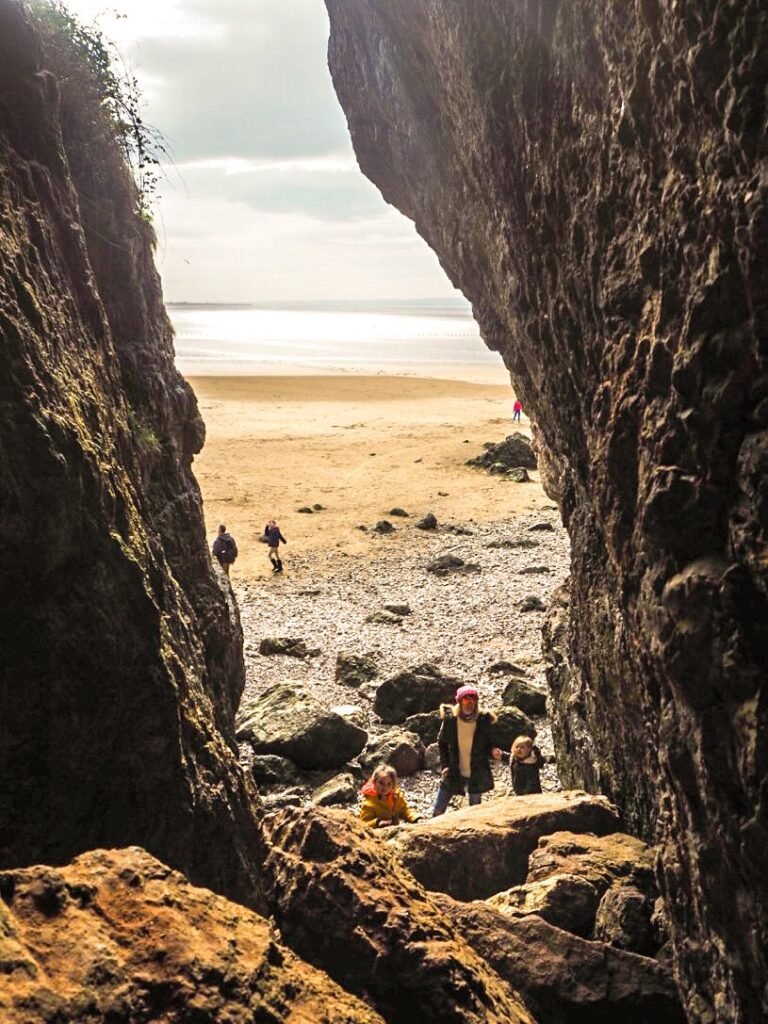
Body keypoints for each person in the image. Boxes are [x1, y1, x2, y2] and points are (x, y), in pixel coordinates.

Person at [432, 685, 502, 816]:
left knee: (474, 812)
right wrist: (445, 765)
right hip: (453, 768)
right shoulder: (451, 720)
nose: (469, 703)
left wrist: (493, 751)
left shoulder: (483, 720)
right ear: (459, 701)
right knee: (438, 810)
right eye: (466, 699)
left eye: (473, 699)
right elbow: (442, 743)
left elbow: (488, 744)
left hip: (476, 770)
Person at [359, 764, 418, 828]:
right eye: (381, 783)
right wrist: (377, 823)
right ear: (374, 783)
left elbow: (405, 811)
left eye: (389, 784)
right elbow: (362, 825)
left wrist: (415, 818)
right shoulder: (369, 804)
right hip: (377, 835)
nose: (385, 787)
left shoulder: (396, 797)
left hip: (395, 832)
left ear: (393, 785)